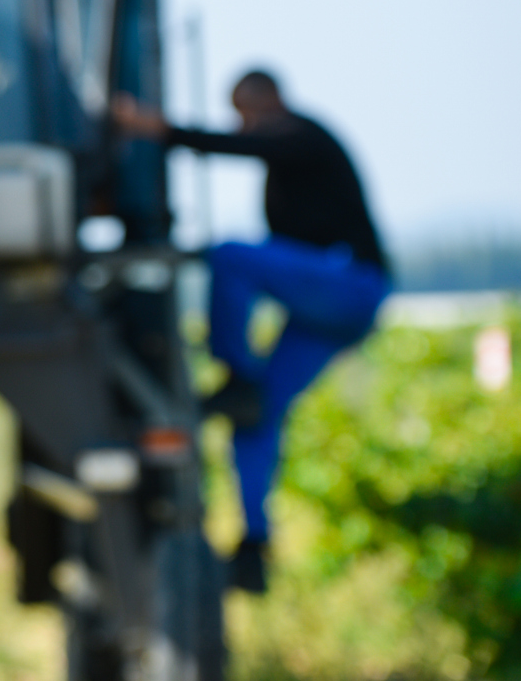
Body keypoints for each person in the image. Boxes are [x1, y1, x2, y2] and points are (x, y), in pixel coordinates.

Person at [112, 68, 391, 595]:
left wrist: (159, 130)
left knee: (231, 258)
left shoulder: (302, 137)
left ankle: (234, 370)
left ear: (271, 102)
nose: (244, 126)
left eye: (247, 115)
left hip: (349, 284)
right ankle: (253, 543)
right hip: (323, 310)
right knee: (257, 414)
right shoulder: (286, 164)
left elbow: (242, 148)